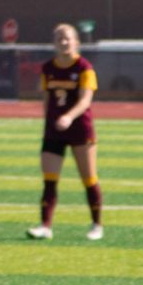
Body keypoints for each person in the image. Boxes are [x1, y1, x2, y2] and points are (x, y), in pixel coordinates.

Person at [26, 23, 104, 241]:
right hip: (54, 130)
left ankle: (97, 225)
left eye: (67, 38)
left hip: (80, 129)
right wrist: (48, 123)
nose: (63, 42)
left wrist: (69, 116)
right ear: (54, 43)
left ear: (76, 42)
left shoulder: (84, 68)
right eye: (59, 39)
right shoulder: (47, 68)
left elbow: (86, 99)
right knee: (49, 179)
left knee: (88, 178)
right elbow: (47, 99)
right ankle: (45, 226)